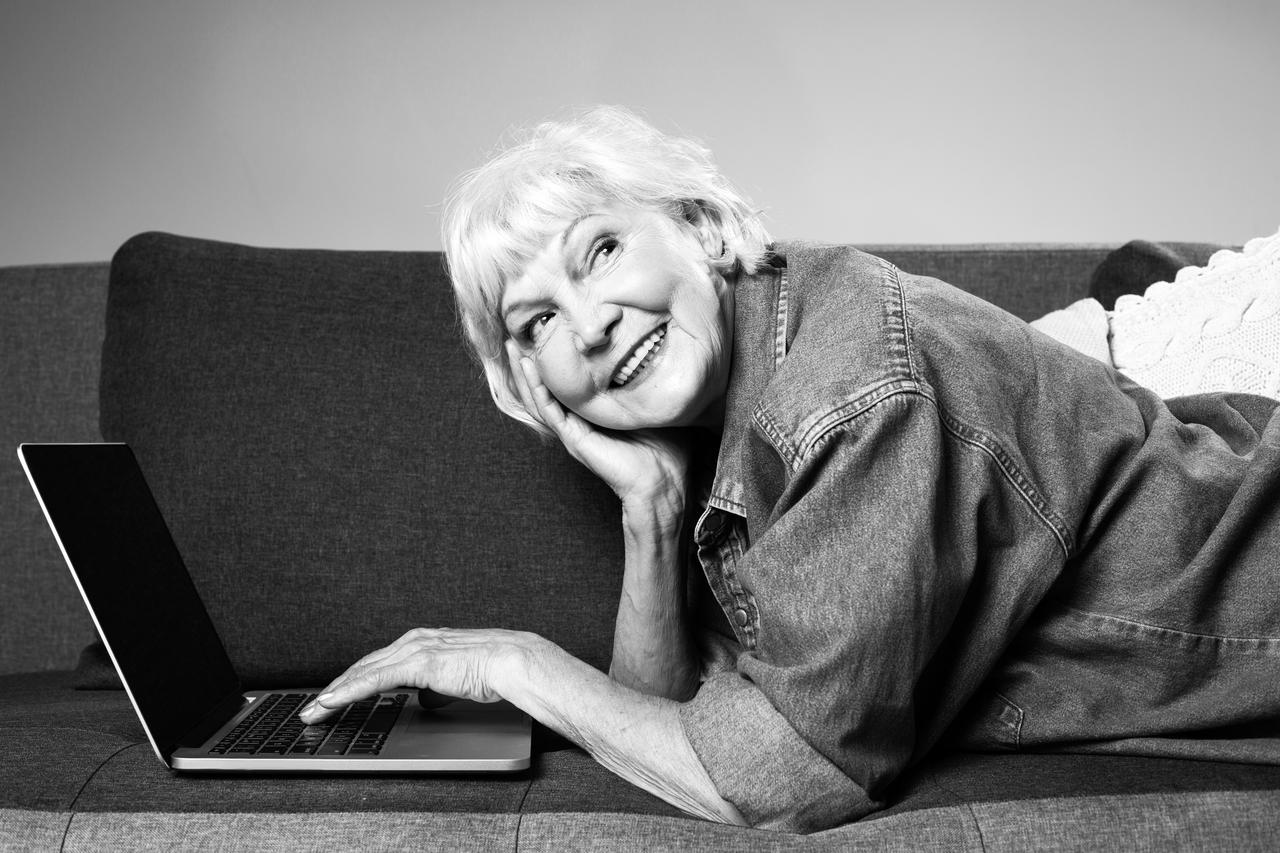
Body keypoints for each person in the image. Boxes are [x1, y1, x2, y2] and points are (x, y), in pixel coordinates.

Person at [299, 106, 1280, 833]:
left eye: (597, 250)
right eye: (537, 320)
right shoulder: (751, 389)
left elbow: (783, 779)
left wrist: (513, 663)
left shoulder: (847, 401)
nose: (587, 323)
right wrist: (647, 506)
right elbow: (664, 721)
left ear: (698, 227)